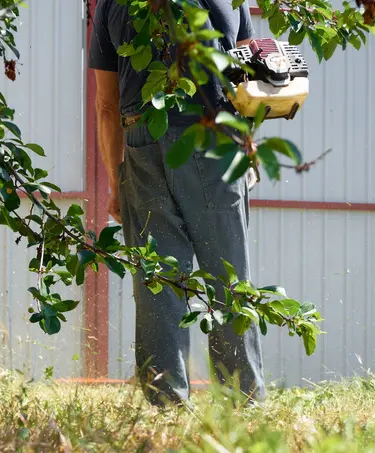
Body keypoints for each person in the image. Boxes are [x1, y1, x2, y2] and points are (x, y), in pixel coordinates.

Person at [88, 0, 266, 406]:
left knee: (158, 282)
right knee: (229, 278)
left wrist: (118, 181)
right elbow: (248, 84)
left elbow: (106, 104)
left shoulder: (113, 4)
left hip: (142, 140)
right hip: (213, 139)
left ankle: (165, 406)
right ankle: (242, 404)